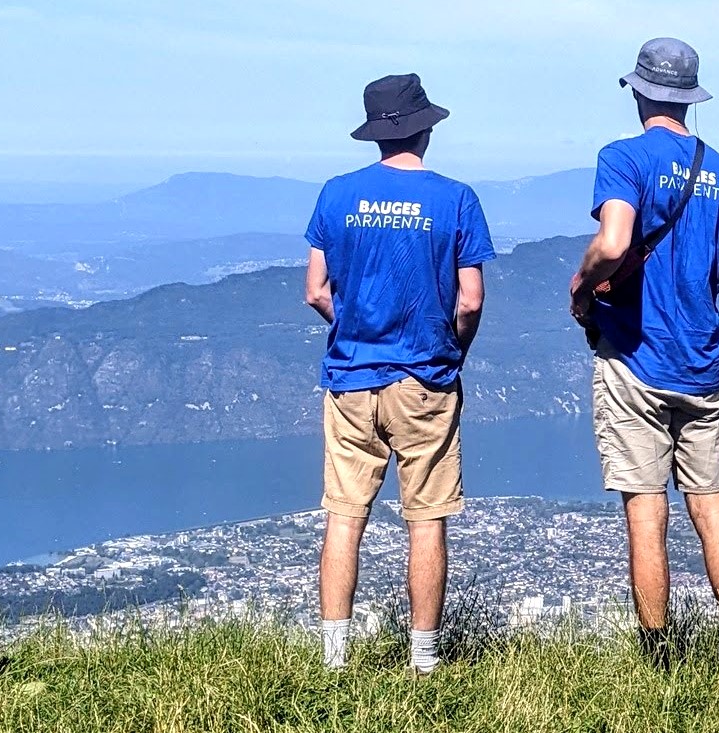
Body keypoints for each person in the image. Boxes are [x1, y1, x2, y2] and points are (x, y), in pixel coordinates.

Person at [568, 37, 719, 675]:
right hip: (703, 363)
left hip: (635, 359)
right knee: (713, 506)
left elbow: (615, 239)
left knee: (647, 512)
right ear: (690, 97)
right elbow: (714, 268)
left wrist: (581, 284)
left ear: (639, 91)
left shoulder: (622, 158)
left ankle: (659, 661)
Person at [303, 73, 494, 674]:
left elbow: (315, 291)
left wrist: (354, 322)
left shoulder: (336, 194)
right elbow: (469, 301)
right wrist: (450, 350)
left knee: (344, 514)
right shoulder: (456, 198)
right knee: (426, 518)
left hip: (351, 378)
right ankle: (424, 659)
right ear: (425, 128)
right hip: (426, 379)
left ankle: (335, 660)